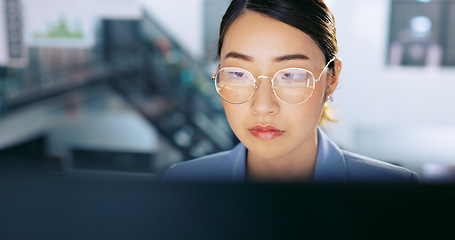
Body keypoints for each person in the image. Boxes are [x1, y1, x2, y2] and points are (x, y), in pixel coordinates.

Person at [164, 0, 419, 183]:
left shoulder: (393, 192)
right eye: (238, 73)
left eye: (291, 75)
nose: (262, 106)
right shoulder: (182, 183)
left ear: (332, 78)